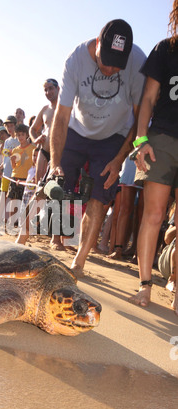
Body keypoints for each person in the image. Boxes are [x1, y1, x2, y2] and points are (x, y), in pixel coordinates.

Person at [49, 19, 146, 277]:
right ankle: (42, 239)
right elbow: (61, 116)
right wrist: (54, 161)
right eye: (107, 62)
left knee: (101, 195)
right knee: (56, 184)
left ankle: (79, 261)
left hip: (114, 135)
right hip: (77, 129)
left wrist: (119, 159)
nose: (113, 69)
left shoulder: (138, 62)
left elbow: (140, 118)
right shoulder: (76, 59)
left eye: (119, 64)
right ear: (98, 44)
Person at [128, 1, 178, 311]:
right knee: (154, 215)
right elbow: (147, 98)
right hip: (160, 139)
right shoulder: (166, 49)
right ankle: (145, 287)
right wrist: (141, 139)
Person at [29, 79, 59, 182]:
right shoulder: (45, 109)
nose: (48, 92)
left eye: (51, 88)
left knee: (60, 187)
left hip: (62, 151)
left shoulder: (68, 107)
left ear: (58, 89)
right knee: (39, 185)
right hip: (45, 150)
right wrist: (35, 139)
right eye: (45, 90)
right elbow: (32, 129)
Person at [7, 124, 35, 201]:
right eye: (18, 135)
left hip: (27, 179)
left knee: (24, 203)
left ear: (27, 135)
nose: (21, 137)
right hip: (15, 178)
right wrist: (12, 161)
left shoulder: (33, 148)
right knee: (11, 202)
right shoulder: (15, 150)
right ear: (16, 136)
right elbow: (14, 167)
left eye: (22, 134)